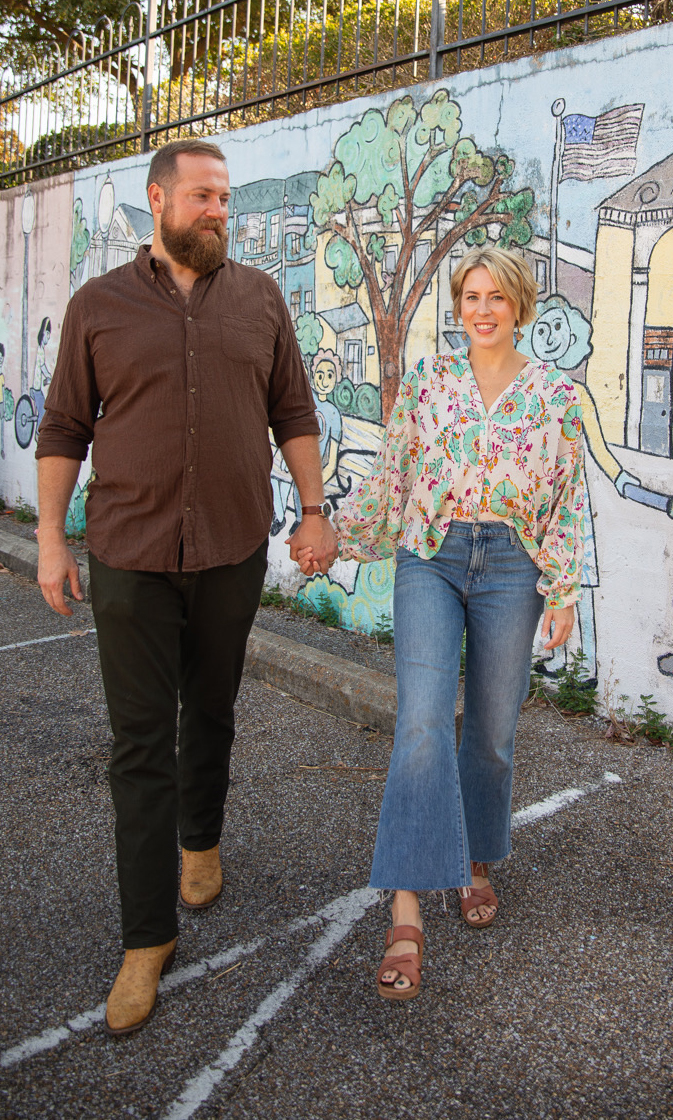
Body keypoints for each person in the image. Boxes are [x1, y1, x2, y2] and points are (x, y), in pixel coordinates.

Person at [35, 138, 337, 1035]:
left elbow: (293, 410)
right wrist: (50, 540)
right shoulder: (98, 305)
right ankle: (146, 938)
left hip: (230, 550)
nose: (218, 211)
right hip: (129, 554)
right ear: (159, 199)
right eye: (203, 196)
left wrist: (313, 510)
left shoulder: (260, 298)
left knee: (210, 711)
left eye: (225, 198)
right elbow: (63, 428)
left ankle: (199, 840)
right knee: (139, 745)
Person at [298, 247, 584, 1000]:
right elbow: (394, 473)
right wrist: (338, 536)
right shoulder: (429, 380)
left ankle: (475, 857)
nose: (481, 310)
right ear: (458, 306)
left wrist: (562, 589)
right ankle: (405, 909)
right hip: (430, 554)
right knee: (421, 722)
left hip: (513, 565)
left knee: (490, 731)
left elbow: (565, 495)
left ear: (519, 306)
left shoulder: (554, 392)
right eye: (470, 297)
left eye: (496, 297)